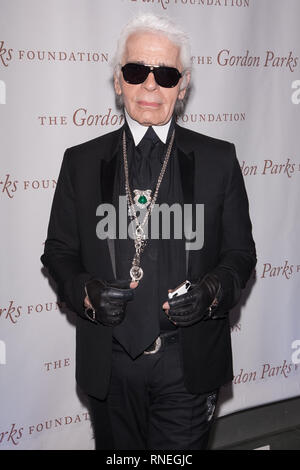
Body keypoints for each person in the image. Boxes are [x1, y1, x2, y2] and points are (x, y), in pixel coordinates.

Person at [41, 13, 256, 450]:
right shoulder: (80, 162)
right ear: (119, 81)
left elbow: (241, 255)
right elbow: (59, 252)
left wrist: (212, 290)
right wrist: (85, 293)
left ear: (184, 84)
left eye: (166, 73)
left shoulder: (219, 160)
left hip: (186, 361)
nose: (151, 86)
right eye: (137, 71)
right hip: (110, 363)